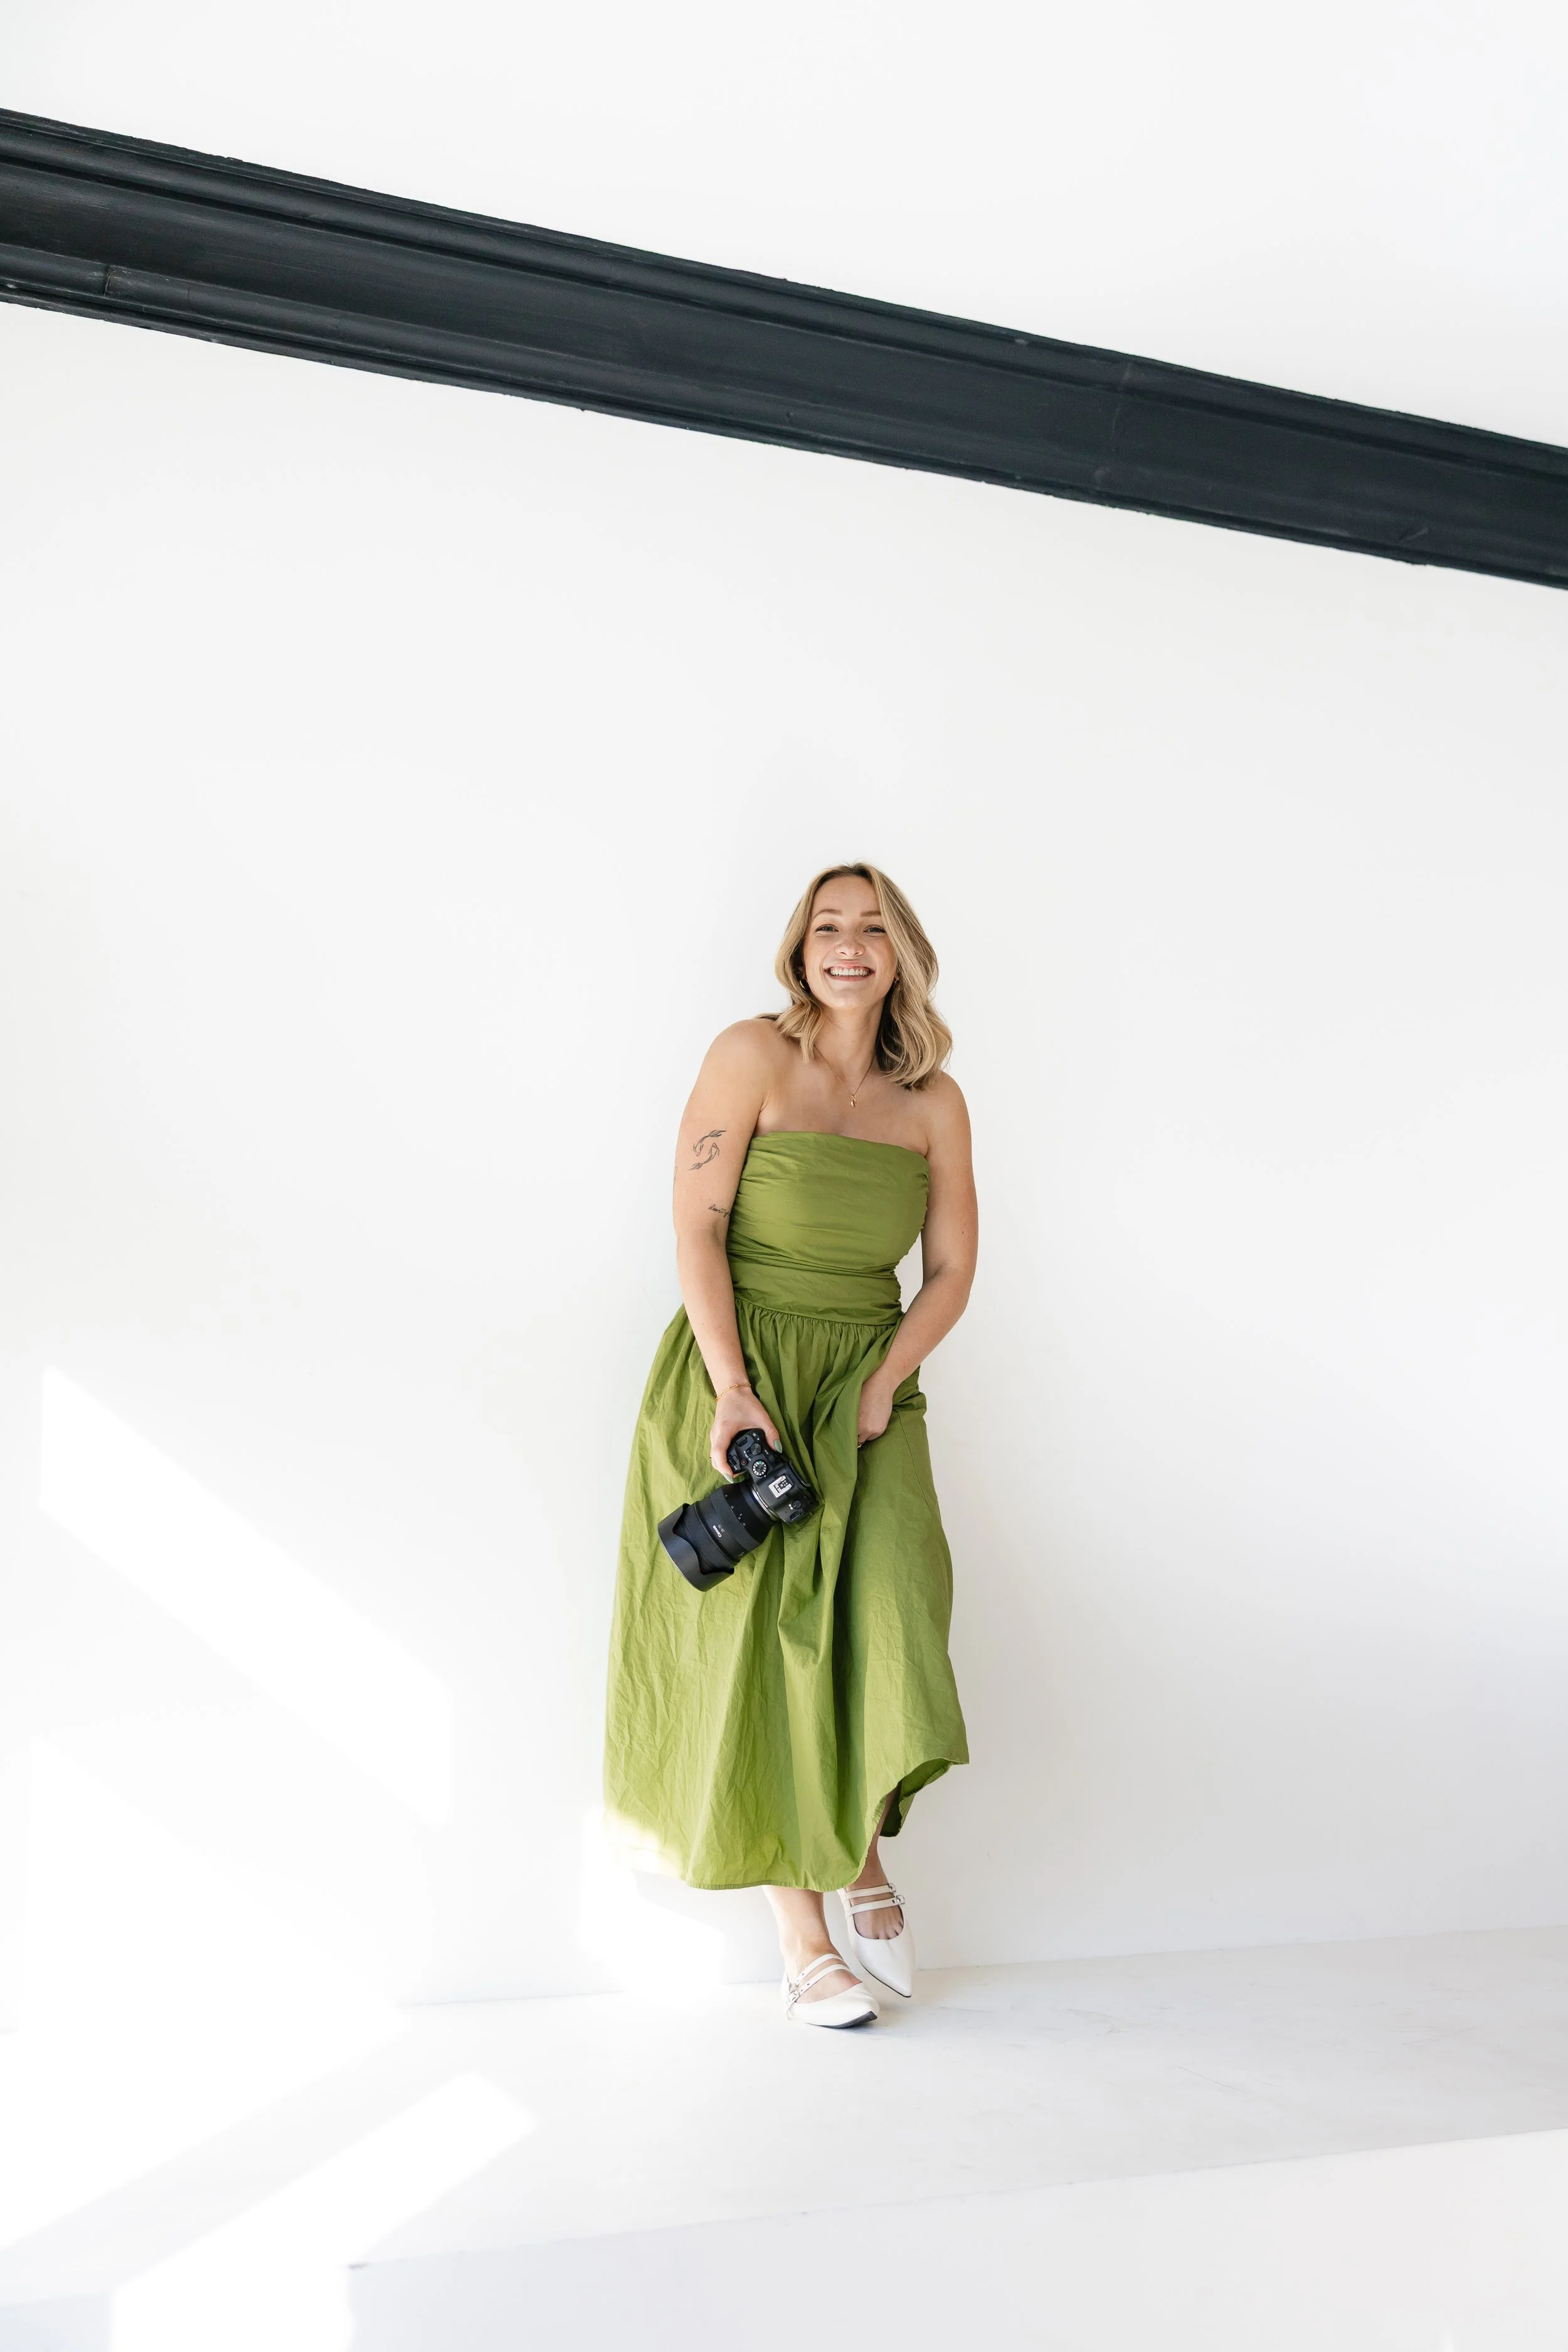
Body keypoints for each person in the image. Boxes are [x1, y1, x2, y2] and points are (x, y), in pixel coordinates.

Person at [604, 862, 975, 2027]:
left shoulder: (934, 1102)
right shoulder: (751, 1055)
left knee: (887, 1614)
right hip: (744, 1379)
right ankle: (802, 1939)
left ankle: (857, 1848)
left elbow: (952, 1270)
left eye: (872, 928)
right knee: (766, 1643)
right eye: (828, 926)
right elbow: (698, 1223)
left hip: (868, 1382)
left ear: (902, 951)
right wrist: (732, 1389)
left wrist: (884, 1380)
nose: (848, 946)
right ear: (800, 946)